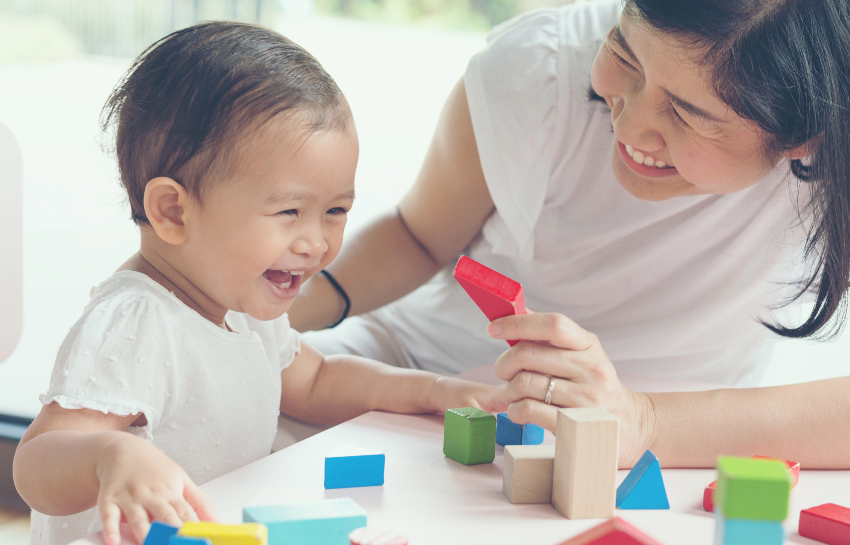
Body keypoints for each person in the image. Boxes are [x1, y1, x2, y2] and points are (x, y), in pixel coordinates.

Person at [290, 0, 850, 470]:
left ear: (805, 138)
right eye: (624, 55)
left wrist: (642, 421)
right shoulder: (541, 71)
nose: (627, 127)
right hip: (419, 372)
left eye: (687, 115)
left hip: (677, 438)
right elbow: (418, 237)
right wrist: (271, 307)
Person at [12, 22, 506, 545]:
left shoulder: (238, 298)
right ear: (173, 211)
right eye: (290, 211)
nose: (316, 242)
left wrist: (431, 389)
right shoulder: (137, 321)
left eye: (336, 210)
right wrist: (113, 454)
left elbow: (317, 383)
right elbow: (35, 465)